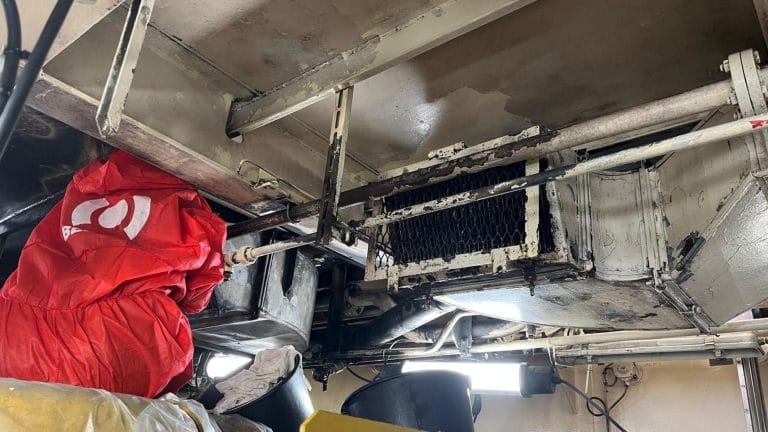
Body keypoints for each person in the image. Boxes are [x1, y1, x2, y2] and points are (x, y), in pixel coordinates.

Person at [0, 151, 226, 397]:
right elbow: (198, 294)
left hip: (18, 337)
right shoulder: (183, 198)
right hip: (115, 344)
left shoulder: (83, 188)